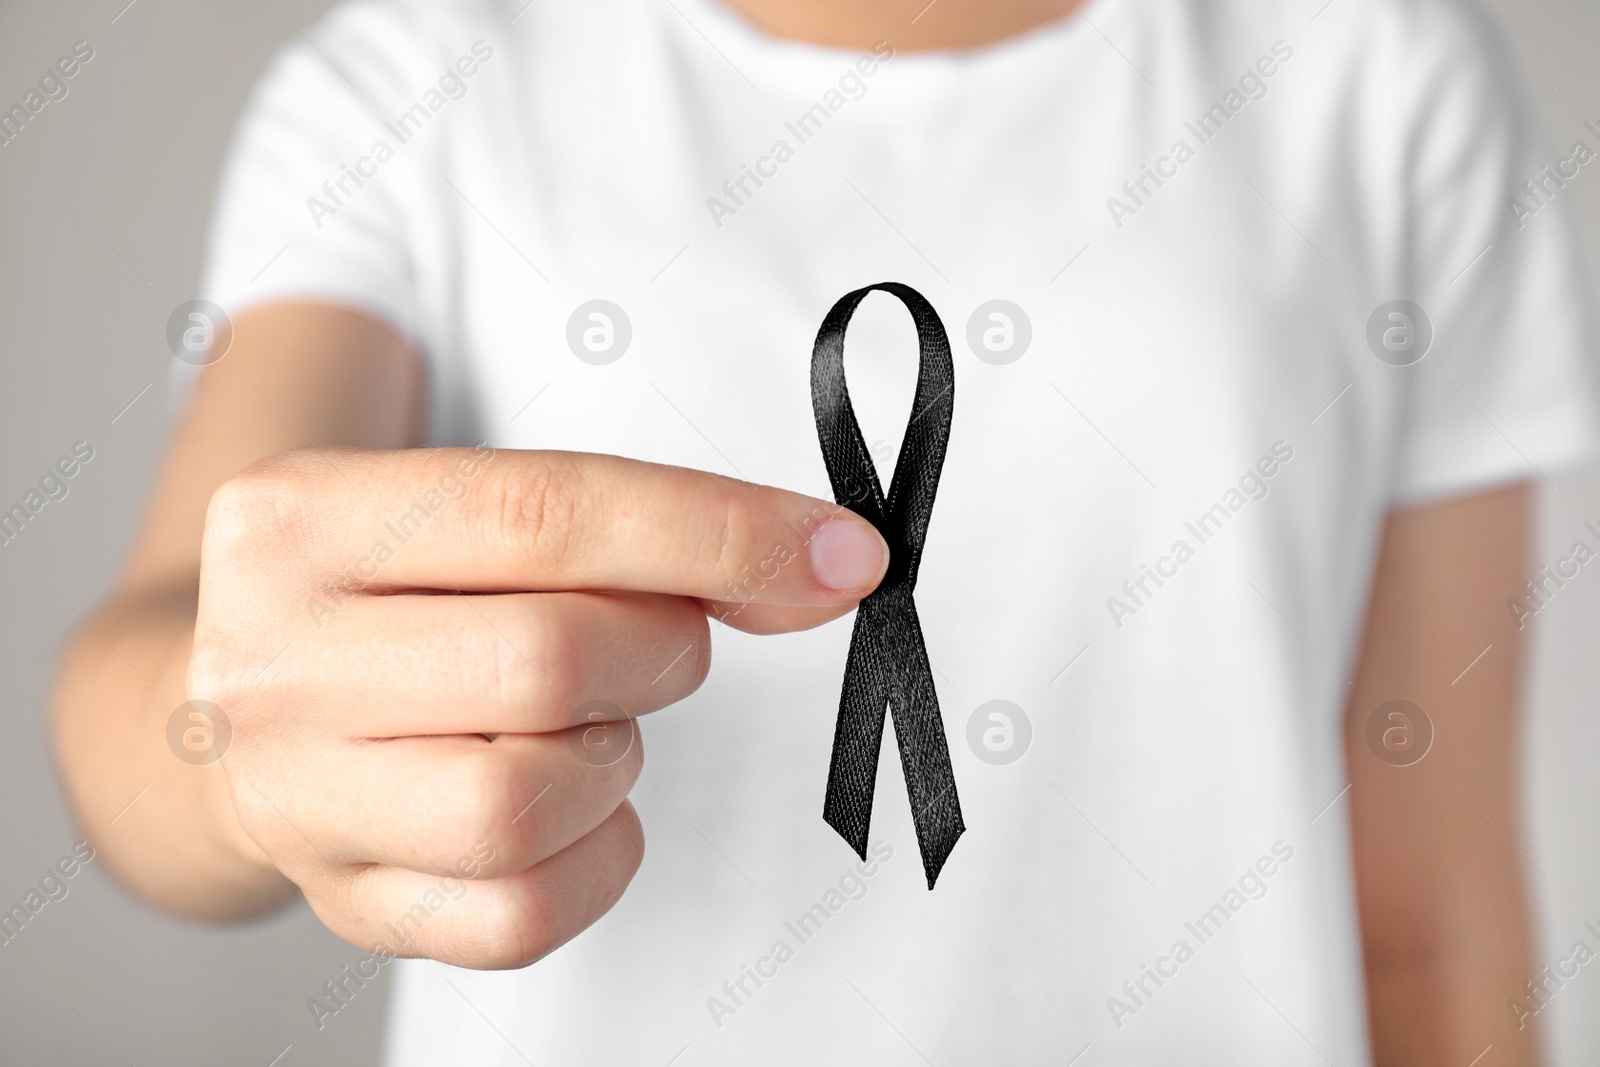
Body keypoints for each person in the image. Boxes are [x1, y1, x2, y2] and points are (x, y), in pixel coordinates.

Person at [50, 0, 1600, 1061]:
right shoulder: (416, 74)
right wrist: (237, 757)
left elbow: (1437, 906)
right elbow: (182, 648)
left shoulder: (1377, 71)